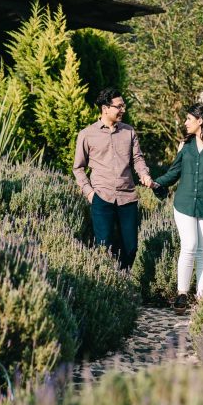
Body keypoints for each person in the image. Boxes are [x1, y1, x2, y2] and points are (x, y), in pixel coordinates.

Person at [152, 103, 203, 311]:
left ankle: (202, 298)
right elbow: (174, 172)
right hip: (184, 204)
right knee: (189, 245)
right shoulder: (184, 145)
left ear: (200, 121)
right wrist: (156, 182)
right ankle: (182, 294)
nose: (185, 123)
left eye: (189, 119)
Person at [73, 87, 153, 270]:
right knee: (104, 247)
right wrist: (90, 193)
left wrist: (144, 174)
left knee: (131, 247)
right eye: (119, 106)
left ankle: (123, 278)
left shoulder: (129, 132)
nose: (123, 109)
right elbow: (78, 167)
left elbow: (137, 159)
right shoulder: (86, 134)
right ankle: (109, 286)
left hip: (127, 197)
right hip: (101, 197)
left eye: (123, 105)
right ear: (105, 108)